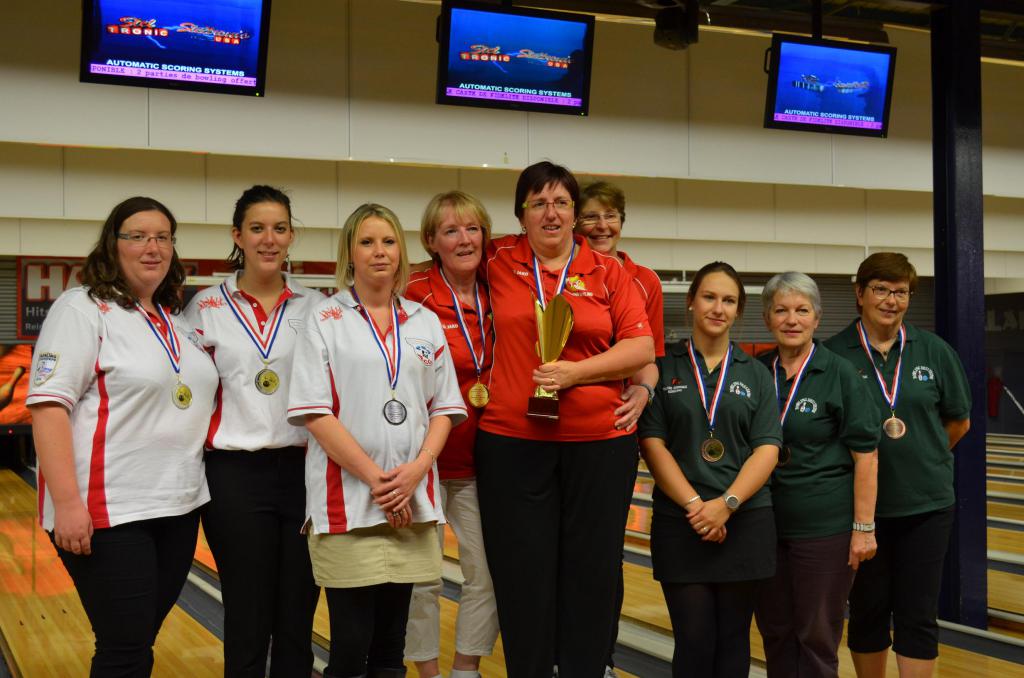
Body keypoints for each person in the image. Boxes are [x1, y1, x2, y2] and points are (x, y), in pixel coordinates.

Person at [474, 161, 655, 678]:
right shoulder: (496, 259)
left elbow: (640, 345)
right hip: (512, 440)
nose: (550, 213)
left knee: (592, 571)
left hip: (599, 441)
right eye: (538, 203)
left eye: (561, 203)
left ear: (575, 214)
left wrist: (576, 375)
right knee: (521, 571)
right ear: (520, 214)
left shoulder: (608, 271)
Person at [27, 196, 218, 676]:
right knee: (125, 648)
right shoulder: (82, 308)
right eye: (137, 236)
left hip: (177, 506)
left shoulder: (175, 321)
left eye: (162, 237)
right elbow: (49, 407)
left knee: (137, 640)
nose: (151, 247)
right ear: (113, 245)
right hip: (107, 510)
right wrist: (68, 505)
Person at [288, 203, 467, 678]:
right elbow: (313, 411)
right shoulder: (323, 318)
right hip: (348, 503)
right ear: (349, 252)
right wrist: (379, 481)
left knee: (391, 646)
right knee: (350, 645)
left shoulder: (423, 321)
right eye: (366, 242)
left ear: (401, 251)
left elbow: (445, 408)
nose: (379, 251)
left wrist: (415, 472)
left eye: (388, 241)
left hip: (411, 502)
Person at [184, 185, 324, 677]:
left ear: (291, 237)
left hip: (306, 472)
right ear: (237, 236)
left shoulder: (318, 306)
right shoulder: (203, 307)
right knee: (247, 610)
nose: (270, 239)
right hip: (234, 476)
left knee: (298, 611)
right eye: (258, 228)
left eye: (280, 228)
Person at [824, 253, 971, 678]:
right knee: (868, 612)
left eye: (901, 292)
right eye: (881, 290)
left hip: (926, 507)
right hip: (860, 514)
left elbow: (958, 421)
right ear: (860, 293)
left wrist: (925, 458)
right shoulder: (834, 354)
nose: (891, 300)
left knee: (918, 614)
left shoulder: (934, 351)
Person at [637, 261, 781, 678]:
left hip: (745, 520)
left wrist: (728, 505)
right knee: (695, 639)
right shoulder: (664, 368)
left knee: (734, 640)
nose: (719, 308)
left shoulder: (756, 374)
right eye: (710, 297)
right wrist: (699, 507)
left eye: (729, 300)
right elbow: (652, 443)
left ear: (739, 311)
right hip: (681, 522)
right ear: (690, 302)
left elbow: (767, 447)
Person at [752, 271, 880, 678]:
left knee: (816, 635)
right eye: (782, 310)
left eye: (802, 310)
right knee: (775, 631)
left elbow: (867, 456)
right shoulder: (755, 372)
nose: (792, 319)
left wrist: (863, 527)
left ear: (817, 318)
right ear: (768, 318)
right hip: (764, 525)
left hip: (823, 528)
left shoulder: (839, 373)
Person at [404, 191, 498, 678]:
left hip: (487, 461)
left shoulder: (501, 286)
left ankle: (466, 669)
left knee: (487, 574)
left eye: (473, 228)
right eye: (451, 231)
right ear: (430, 242)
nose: (464, 239)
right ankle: (427, 674)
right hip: (424, 459)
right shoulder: (413, 291)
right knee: (422, 579)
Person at [576, 180, 664, 676]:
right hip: (558, 426)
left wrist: (644, 390)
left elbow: (646, 355)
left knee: (604, 556)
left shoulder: (643, 279)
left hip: (612, 430)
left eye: (610, 217)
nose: (601, 226)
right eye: (591, 217)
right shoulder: (557, 272)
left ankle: (600, 657)